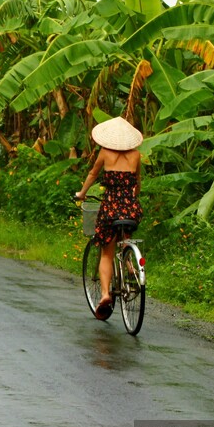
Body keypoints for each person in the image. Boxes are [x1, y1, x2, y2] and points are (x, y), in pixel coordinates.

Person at [74, 116, 143, 319]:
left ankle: (105, 295)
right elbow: (137, 183)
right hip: (129, 208)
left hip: (110, 207)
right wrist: (131, 198)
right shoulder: (136, 155)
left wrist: (82, 193)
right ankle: (130, 265)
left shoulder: (105, 153)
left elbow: (93, 174)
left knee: (106, 252)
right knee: (124, 237)